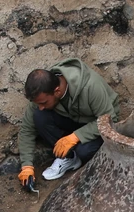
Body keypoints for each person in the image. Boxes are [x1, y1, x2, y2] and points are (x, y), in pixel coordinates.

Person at [17, 58, 118, 186]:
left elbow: (109, 120)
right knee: (39, 115)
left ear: (57, 91)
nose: (41, 106)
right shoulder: (42, 94)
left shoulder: (90, 86)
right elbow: (27, 130)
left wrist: (76, 137)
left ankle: (95, 164)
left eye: (44, 103)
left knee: (84, 151)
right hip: (73, 120)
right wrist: (26, 167)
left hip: (98, 124)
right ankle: (68, 158)